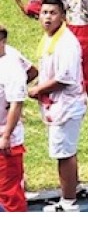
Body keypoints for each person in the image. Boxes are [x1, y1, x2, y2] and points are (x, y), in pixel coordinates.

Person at [28, 0, 87, 212]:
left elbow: (65, 77)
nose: (47, 17)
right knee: (67, 149)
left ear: (63, 16)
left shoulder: (66, 43)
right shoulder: (49, 39)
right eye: (44, 13)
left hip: (66, 106)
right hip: (58, 106)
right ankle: (75, 188)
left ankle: (68, 203)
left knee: (63, 153)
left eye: (53, 13)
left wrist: (38, 89)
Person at [0, 26, 30, 212]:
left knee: (9, 193)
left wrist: (6, 136)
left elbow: (16, 103)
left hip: (5, 140)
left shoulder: (11, 66)